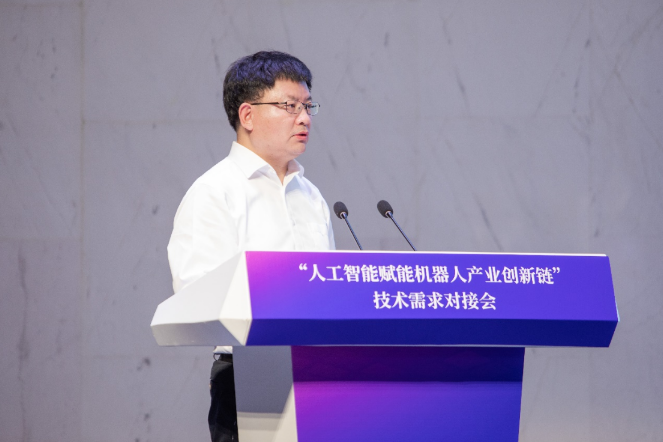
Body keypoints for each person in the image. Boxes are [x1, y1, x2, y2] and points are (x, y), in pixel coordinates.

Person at [167, 51, 335, 442]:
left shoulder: (311, 196)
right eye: (290, 106)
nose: (305, 118)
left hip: (317, 375)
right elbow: (196, 293)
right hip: (248, 376)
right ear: (247, 116)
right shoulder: (214, 192)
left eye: (308, 106)